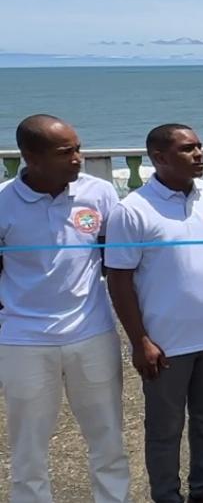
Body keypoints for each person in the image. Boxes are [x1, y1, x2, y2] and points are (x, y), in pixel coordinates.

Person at [106, 125, 203, 503]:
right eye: (187, 149)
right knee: (165, 427)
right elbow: (119, 279)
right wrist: (139, 340)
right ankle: (166, 495)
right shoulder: (132, 209)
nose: (199, 154)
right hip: (166, 342)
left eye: (200, 146)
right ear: (159, 158)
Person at [0, 114, 131, 503]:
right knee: (28, 447)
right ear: (30, 157)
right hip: (23, 341)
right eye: (66, 152)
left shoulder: (100, 192)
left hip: (92, 334)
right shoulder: (3, 201)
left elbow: (114, 261)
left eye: (78, 148)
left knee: (108, 436)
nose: (78, 158)